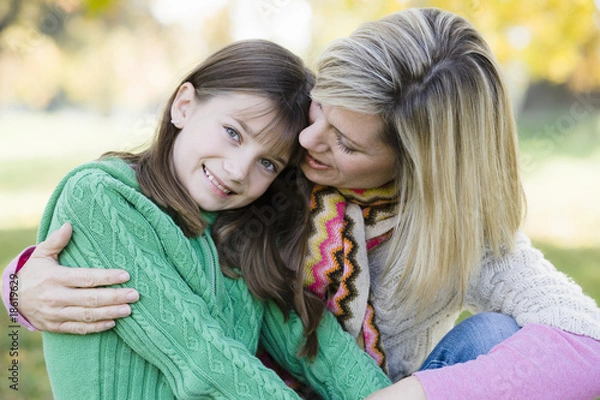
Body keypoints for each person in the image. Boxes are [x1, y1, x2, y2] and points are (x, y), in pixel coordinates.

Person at [4, 8, 600, 399]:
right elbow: (179, 311)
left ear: (412, 164)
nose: (306, 145)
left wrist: (412, 396)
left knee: (493, 338)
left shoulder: (447, 227)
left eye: (344, 142)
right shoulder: (248, 181)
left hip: (360, 391)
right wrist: (17, 289)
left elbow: (589, 343)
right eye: (320, 113)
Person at [2, 39, 392, 400]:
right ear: (184, 105)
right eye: (233, 133)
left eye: (267, 162)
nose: (239, 170)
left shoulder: (238, 233)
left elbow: (316, 345)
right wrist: (15, 291)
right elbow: (200, 358)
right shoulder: (102, 197)